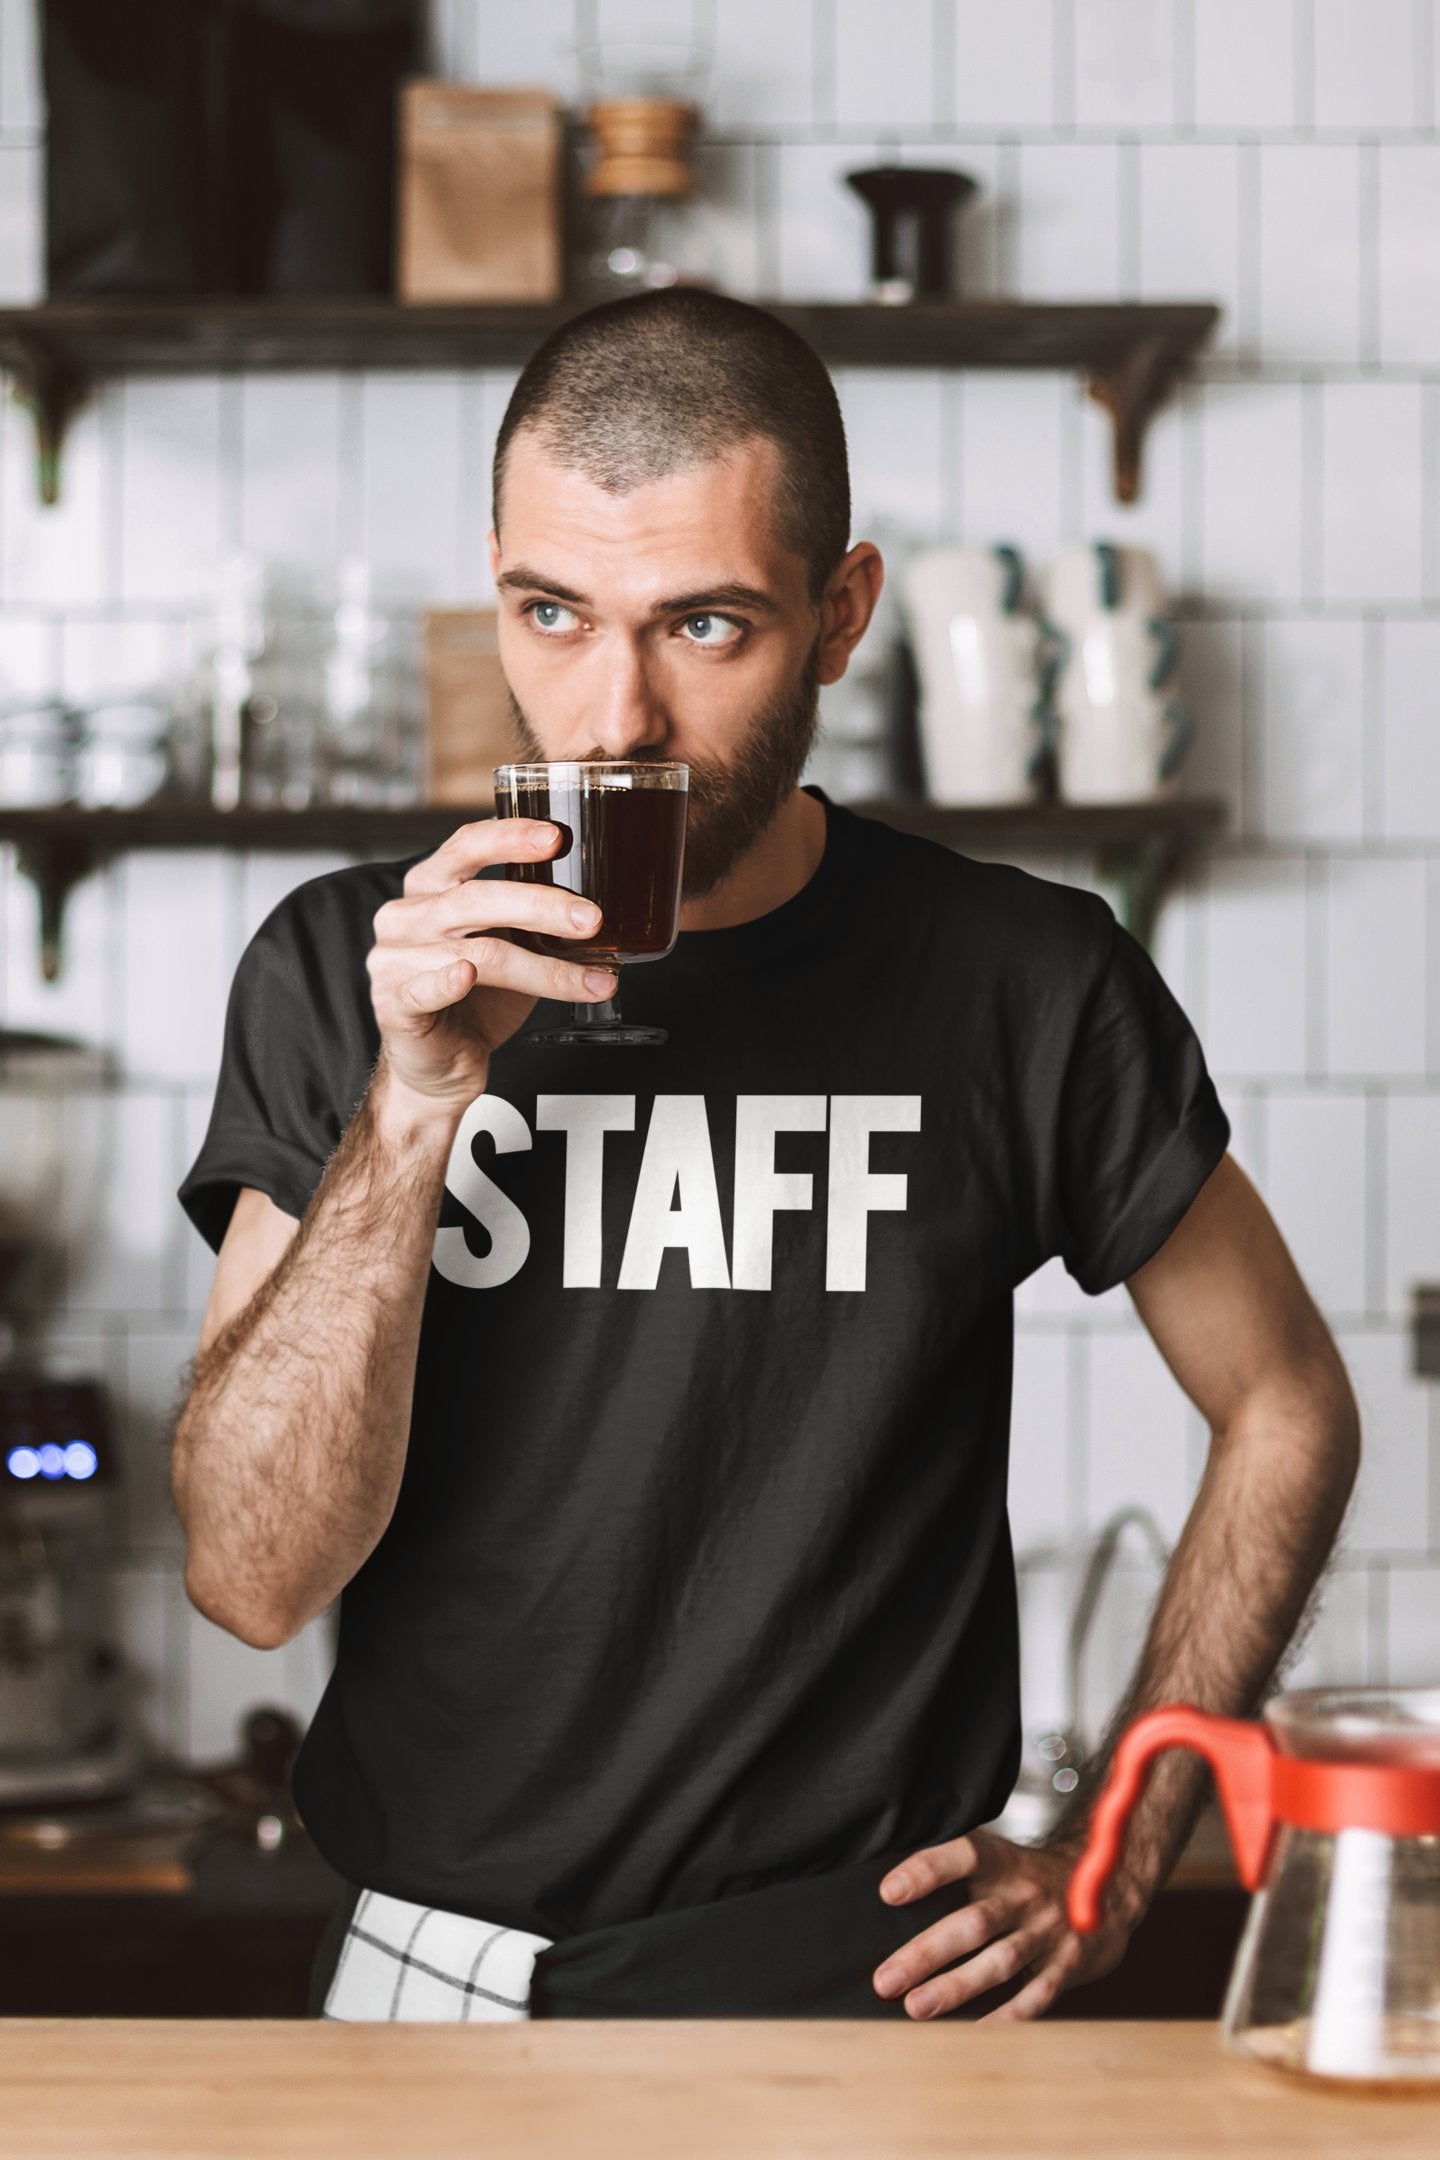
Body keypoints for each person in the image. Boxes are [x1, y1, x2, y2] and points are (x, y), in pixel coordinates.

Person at [174, 289, 1359, 2023]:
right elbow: (251, 1578)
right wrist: (417, 1101)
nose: (612, 719)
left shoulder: (1022, 980)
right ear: (496, 584)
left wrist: (1123, 1841)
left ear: (839, 614)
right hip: (431, 1983)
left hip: (865, 2002)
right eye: (552, 614)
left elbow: (1289, 1404)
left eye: (705, 626)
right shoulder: (340, 969)